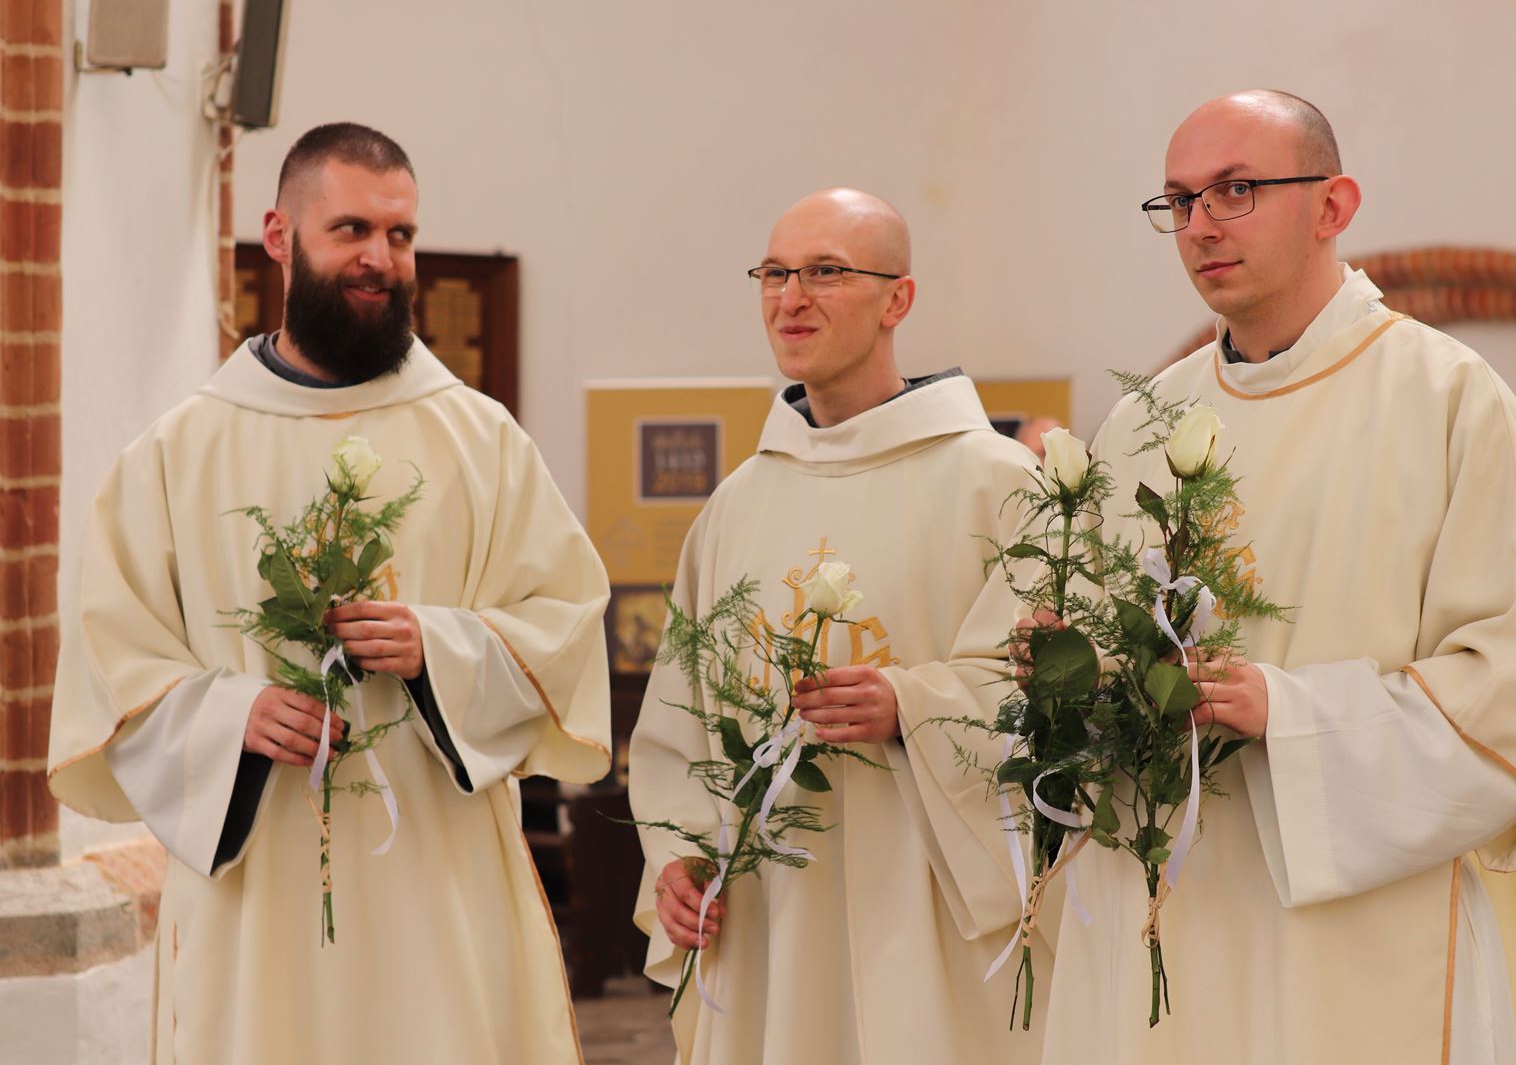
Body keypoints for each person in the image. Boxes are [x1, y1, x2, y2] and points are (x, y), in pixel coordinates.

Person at [1038, 89, 1516, 1064]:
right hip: (1177, 913)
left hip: (1368, 927)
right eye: (1178, 202)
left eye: (1237, 190)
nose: (1200, 226)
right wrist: (1073, 671)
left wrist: (1289, 713)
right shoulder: (1145, 420)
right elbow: (1112, 652)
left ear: (1334, 206)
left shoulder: (1445, 399)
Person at [48, 122, 613, 1064]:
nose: (380, 259)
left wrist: (442, 648)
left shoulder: (481, 441)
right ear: (279, 236)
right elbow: (116, 658)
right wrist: (231, 715)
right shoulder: (178, 456)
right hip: (260, 891)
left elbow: (563, 623)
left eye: (399, 235)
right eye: (351, 229)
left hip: (437, 877)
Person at [629, 188, 1051, 1063]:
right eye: (775, 274)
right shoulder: (736, 505)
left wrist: (912, 703)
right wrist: (678, 859)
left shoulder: (998, 483)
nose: (792, 297)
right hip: (770, 914)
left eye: (825, 272)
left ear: (898, 298)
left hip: (933, 912)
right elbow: (678, 721)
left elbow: (1050, 698)